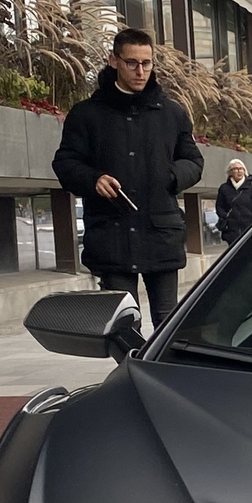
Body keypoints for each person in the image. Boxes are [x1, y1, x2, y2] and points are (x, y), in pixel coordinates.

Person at [52, 27, 201, 321]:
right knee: (122, 324)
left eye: (147, 63)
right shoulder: (86, 114)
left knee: (167, 321)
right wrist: (93, 179)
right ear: (114, 60)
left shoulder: (172, 113)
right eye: (132, 62)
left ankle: (159, 370)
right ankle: (131, 368)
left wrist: (172, 176)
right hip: (112, 235)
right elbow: (65, 163)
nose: (140, 71)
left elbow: (193, 161)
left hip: (161, 233)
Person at [215, 155, 252, 247]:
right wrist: (226, 217)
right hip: (232, 229)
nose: (239, 171)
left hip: (248, 227)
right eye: (236, 169)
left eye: (241, 169)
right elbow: (219, 206)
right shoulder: (224, 188)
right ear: (230, 172)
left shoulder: (251, 187)